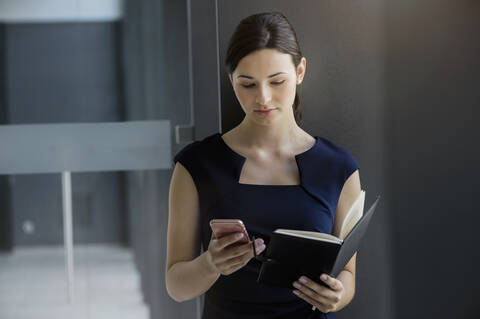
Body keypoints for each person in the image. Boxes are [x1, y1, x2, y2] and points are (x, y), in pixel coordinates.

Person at [165, 11, 362, 319]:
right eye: (248, 84)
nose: (263, 97)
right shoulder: (196, 166)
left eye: (277, 81)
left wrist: (337, 295)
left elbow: (348, 275)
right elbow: (176, 285)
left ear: (300, 71)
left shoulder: (339, 168)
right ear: (231, 81)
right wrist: (211, 264)